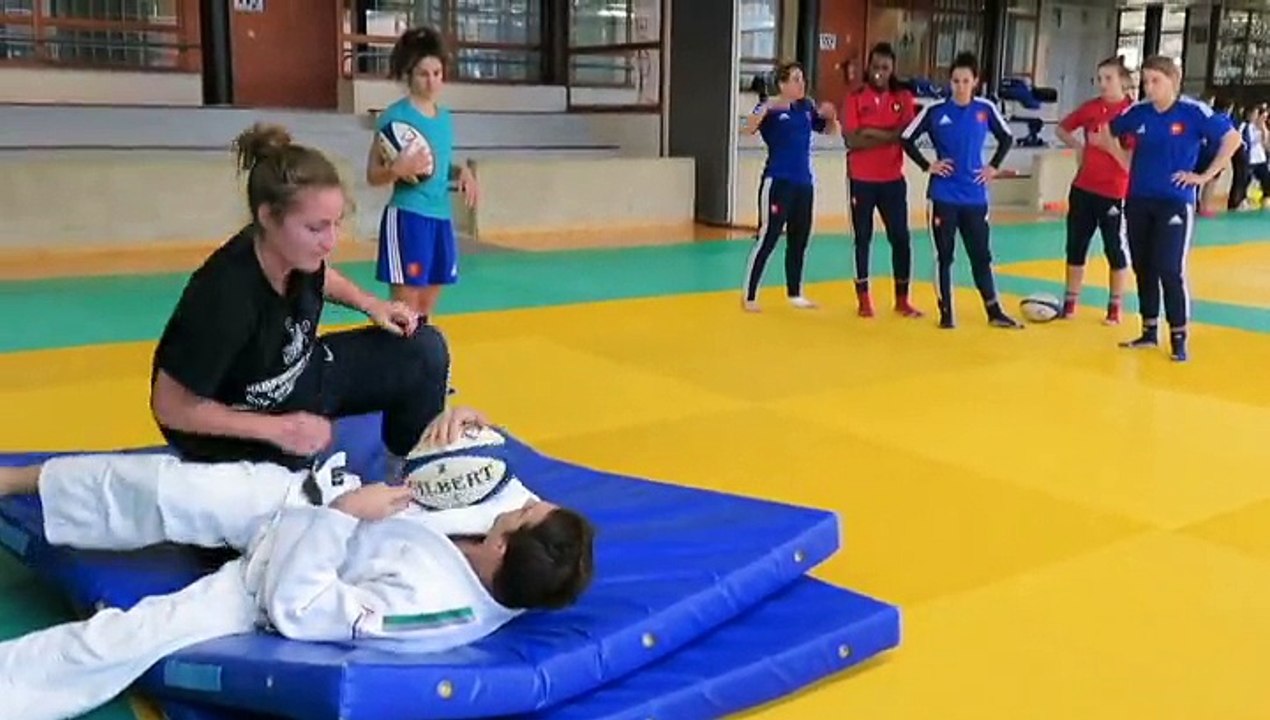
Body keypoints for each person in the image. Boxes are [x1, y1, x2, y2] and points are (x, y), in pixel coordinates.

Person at [0, 409, 595, 720]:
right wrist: (468, 420)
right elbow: (502, 478)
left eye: (522, 517)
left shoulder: (433, 612)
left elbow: (300, 610)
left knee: (123, 640)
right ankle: (17, 480)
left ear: (500, 550)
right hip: (296, 501)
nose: (526, 502)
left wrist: (341, 518)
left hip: (267, 586)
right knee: (161, 488)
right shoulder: (519, 534)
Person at [151, 122, 450, 481]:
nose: (331, 241)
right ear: (267, 217)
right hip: (238, 429)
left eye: (336, 224)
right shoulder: (224, 297)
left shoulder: (296, 253)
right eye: (316, 228)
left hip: (297, 377)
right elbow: (170, 406)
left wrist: (372, 305)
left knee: (422, 349)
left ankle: (407, 472)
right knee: (302, 504)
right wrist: (280, 430)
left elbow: (323, 274)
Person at [1090, 55, 1240, 362]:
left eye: (1156, 80)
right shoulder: (1139, 112)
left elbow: (1232, 139)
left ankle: (1178, 336)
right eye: (1145, 81)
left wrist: (1203, 176)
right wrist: (1122, 160)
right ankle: (1148, 329)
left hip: (1174, 201)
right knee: (1143, 265)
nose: (1149, 87)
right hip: (1139, 199)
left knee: (1169, 268)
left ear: (1174, 81)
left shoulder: (1192, 111)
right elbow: (1107, 131)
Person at [899, 52, 1022, 329]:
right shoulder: (935, 112)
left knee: (981, 255)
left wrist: (992, 167)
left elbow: (1006, 137)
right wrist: (927, 165)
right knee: (944, 256)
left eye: (966, 81)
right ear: (950, 82)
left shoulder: (985, 109)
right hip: (944, 196)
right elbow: (906, 138)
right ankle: (946, 313)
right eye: (955, 81)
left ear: (975, 81)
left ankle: (994, 311)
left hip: (975, 196)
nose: (960, 86)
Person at [367, 26, 479, 324]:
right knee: (405, 309)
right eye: (423, 74)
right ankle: (395, 366)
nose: (431, 82)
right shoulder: (393, 118)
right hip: (408, 217)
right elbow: (372, 175)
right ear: (408, 75)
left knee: (426, 308)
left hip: (440, 219)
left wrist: (462, 170)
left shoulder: (444, 118)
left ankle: (420, 366)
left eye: (437, 74)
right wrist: (395, 170)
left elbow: (438, 160)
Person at [741, 61, 840, 312]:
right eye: (795, 79)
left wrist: (831, 117)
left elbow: (831, 131)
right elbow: (748, 128)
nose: (801, 83)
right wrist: (767, 105)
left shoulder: (806, 107)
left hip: (803, 182)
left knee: (800, 237)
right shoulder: (771, 109)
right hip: (778, 180)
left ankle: (795, 292)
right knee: (769, 236)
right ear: (783, 84)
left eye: (802, 79)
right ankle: (750, 295)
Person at [842, 42, 923, 318]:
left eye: (885, 68)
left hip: (892, 179)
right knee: (862, 238)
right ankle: (863, 298)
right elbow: (851, 139)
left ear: (892, 69)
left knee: (901, 238)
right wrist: (890, 134)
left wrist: (870, 132)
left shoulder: (904, 96)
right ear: (868, 67)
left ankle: (902, 299)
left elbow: (907, 134)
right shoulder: (854, 97)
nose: (879, 72)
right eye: (875, 67)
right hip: (861, 179)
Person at [1053, 56, 1135, 323]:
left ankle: (1114, 306)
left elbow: (1129, 163)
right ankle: (1070, 301)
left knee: (1115, 249)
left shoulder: (1132, 114)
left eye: (1108, 78)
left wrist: (1108, 144)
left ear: (1122, 81)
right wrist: (1079, 147)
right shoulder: (1091, 108)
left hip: (1114, 191)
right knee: (1076, 246)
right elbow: (1062, 128)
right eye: (1099, 79)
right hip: (1083, 188)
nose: (1102, 84)